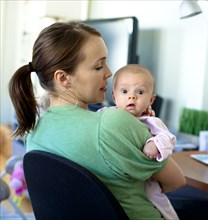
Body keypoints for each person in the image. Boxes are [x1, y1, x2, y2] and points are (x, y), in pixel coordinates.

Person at [8, 21, 186, 219]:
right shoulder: (112, 124)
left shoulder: (33, 130)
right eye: (99, 66)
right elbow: (176, 182)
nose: (109, 73)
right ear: (63, 78)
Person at [102, 64, 178, 219]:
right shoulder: (106, 114)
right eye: (124, 91)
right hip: (120, 179)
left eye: (140, 92)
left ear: (151, 99)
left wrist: (154, 144)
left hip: (148, 180)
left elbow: (167, 138)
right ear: (114, 96)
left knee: (158, 201)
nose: (132, 96)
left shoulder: (150, 121)